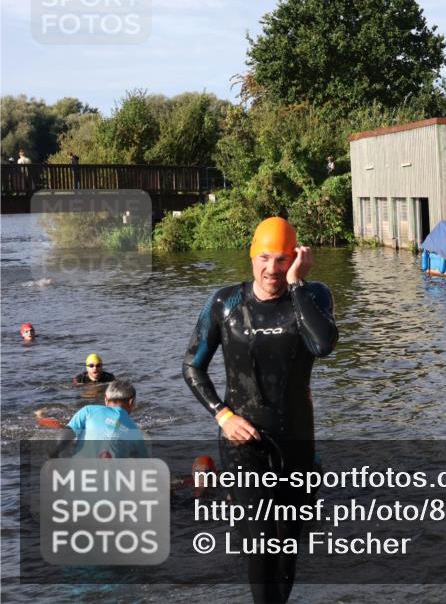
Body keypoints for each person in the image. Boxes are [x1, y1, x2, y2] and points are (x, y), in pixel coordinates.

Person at [182, 216, 338, 604]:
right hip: (243, 443)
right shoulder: (226, 302)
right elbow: (192, 366)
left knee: (288, 541)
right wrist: (223, 415)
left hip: (297, 442)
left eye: (283, 259)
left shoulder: (313, 295)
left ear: (296, 258)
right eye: (264, 257)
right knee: (259, 538)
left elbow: (322, 345)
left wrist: (298, 284)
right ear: (251, 256)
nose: (273, 269)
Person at [51, 380, 149, 458]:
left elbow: (66, 435)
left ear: (106, 399)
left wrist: (54, 454)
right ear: (131, 402)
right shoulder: (135, 431)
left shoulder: (88, 411)